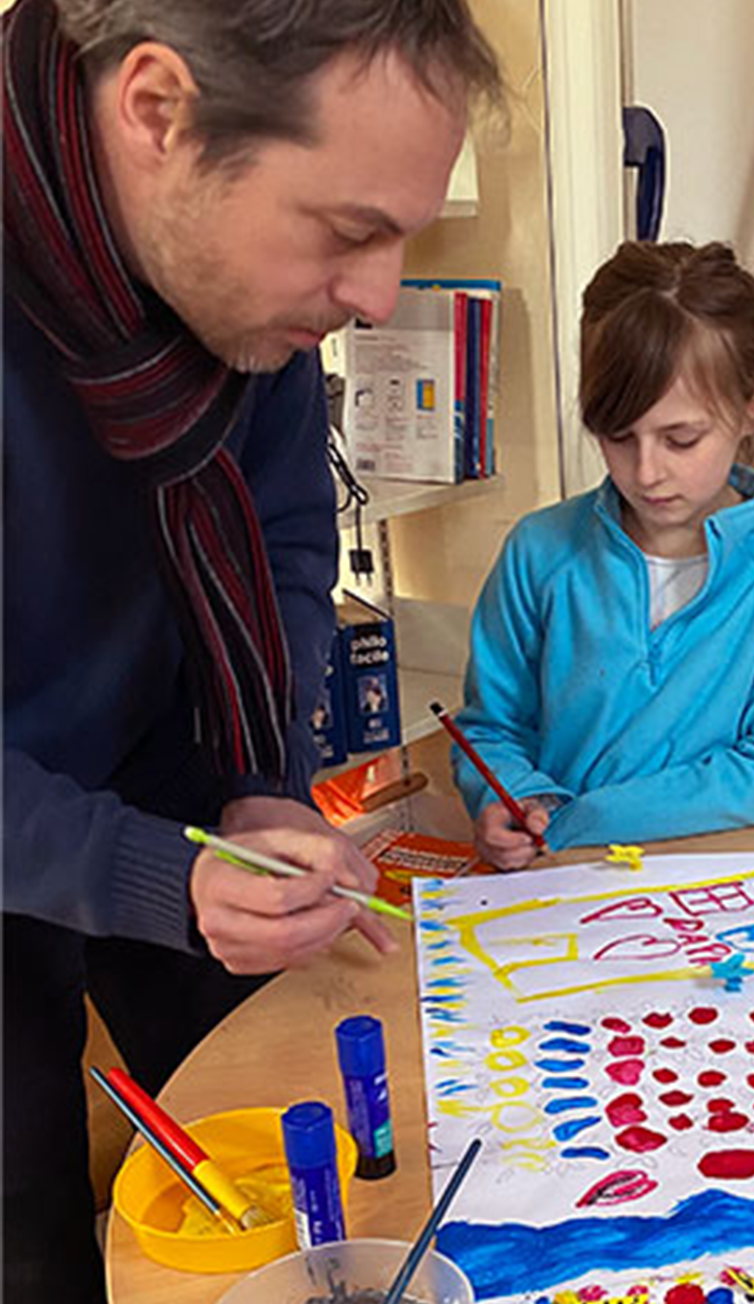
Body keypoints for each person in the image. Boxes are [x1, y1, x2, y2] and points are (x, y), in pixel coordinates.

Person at [1, 1, 501, 1298]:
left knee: (278, 1159)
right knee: (28, 1225)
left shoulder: (236, 291)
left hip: (171, 760)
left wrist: (264, 780)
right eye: (348, 233)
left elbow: (283, 540)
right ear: (158, 113)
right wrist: (145, 873)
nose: (377, 297)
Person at [455, 240, 754, 867]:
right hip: (558, 880)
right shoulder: (539, 551)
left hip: (726, 878)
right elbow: (491, 729)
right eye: (618, 436)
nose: (647, 471)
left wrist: (582, 817)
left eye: (681, 439)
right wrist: (506, 799)